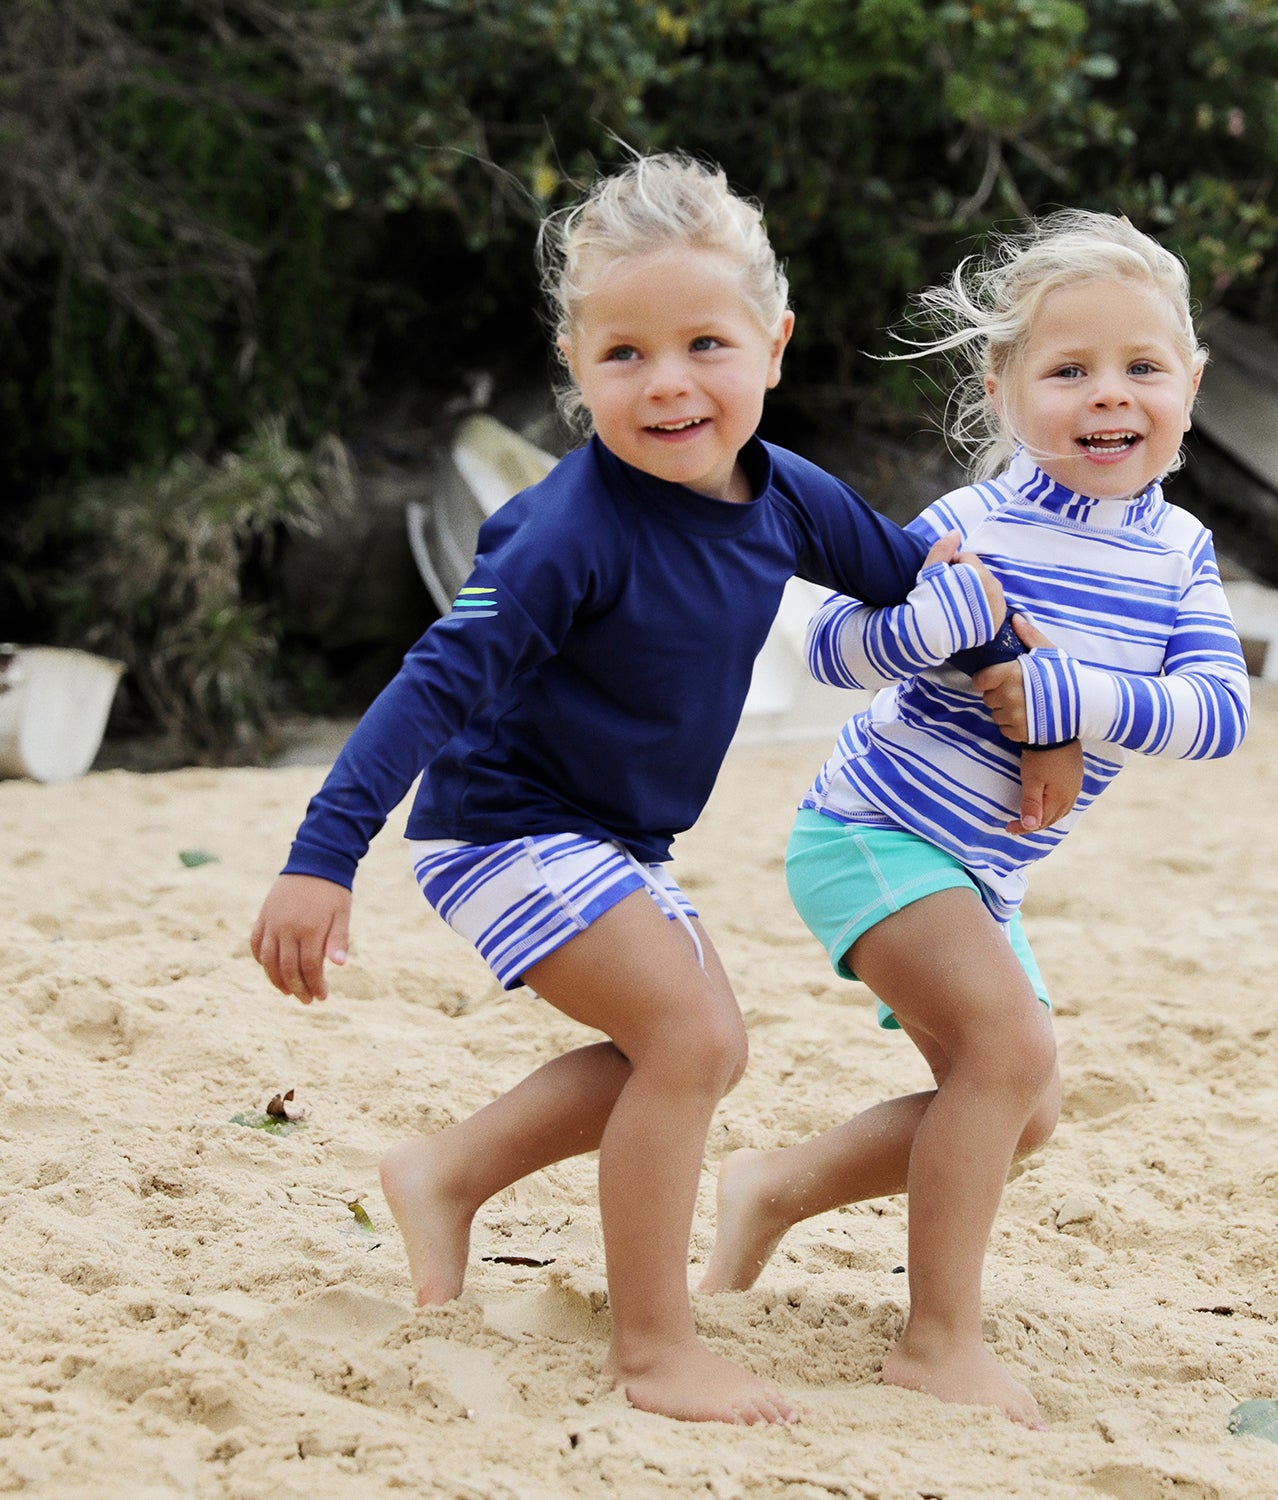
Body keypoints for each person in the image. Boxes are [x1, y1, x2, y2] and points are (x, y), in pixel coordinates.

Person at [248, 153, 1071, 1425]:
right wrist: (321, 857)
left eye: (705, 344)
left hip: (617, 839)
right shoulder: (564, 533)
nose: (669, 381)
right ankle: (650, 1350)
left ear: (773, 346)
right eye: (625, 353)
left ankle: (446, 1174)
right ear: (575, 364)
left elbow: (920, 584)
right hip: (501, 828)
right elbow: (430, 688)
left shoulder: (786, 495)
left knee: (697, 1050)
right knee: (689, 1041)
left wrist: (1030, 687)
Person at [701, 209, 1251, 1426]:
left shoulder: (1180, 554)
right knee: (1009, 1058)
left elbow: (1218, 715)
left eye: (1143, 366)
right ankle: (937, 1342)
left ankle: (773, 1189)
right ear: (1004, 390)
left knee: (1024, 1109)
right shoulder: (973, 524)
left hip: (985, 876)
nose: (1109, 395)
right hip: (873, 830)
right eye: (1070, 370)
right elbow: (831, 645)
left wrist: (1068, 698)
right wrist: (927, 626)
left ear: (1191, 384)